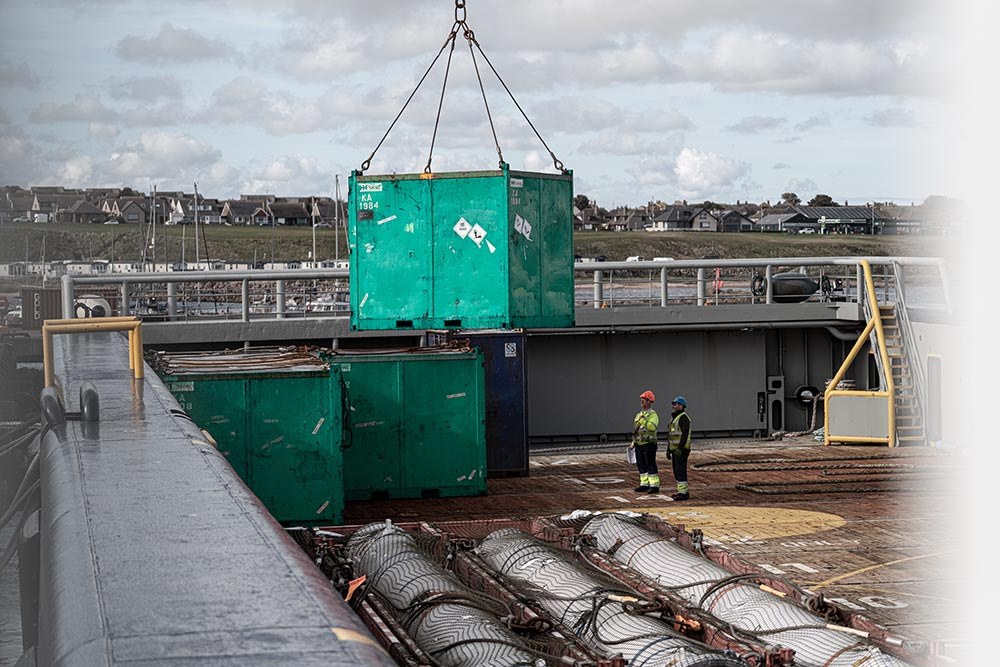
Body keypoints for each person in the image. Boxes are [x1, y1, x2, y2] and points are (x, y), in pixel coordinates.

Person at [629, 390, 660, 494]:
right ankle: (644, 484)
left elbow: (652, 427)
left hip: (649, 444)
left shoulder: (653, 415)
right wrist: (633, 442)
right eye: (641, 400)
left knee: (650, 464)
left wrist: (643, 421)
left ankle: (654, 486)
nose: (642, 402)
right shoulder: (638, 415)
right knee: (641, 465)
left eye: (645, 400)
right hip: (639, 444)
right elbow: (636, 430)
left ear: (650, 402)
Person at [666, 396, 692, 501]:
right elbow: (671, 435)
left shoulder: (683, 418)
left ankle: (683, 493)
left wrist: (680, 449)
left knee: (680, 470)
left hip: (682, 450)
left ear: (681, 406)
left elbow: (684, 435)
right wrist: (669, 450)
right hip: (675, 450)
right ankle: (680, 491)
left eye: (675, 404)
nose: (673, 406)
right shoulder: (674, 418)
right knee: (676, 471)